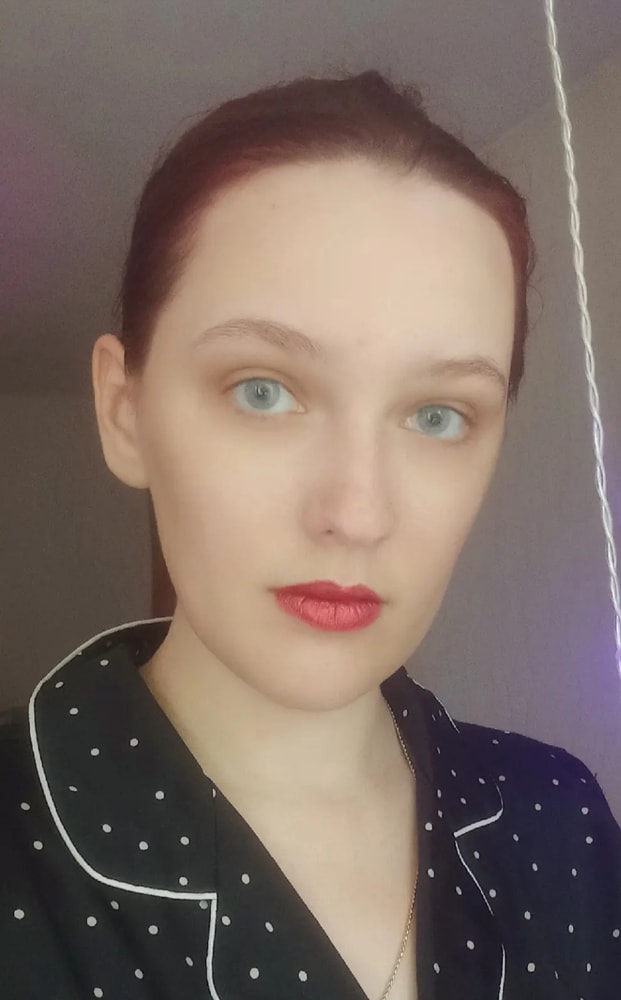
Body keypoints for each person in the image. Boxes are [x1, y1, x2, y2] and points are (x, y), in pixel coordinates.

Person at [1, 69, 620, 1000]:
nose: (356, 513)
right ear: (124, 411)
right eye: (263, 391)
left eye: (438, 414)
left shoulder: (557, 821)